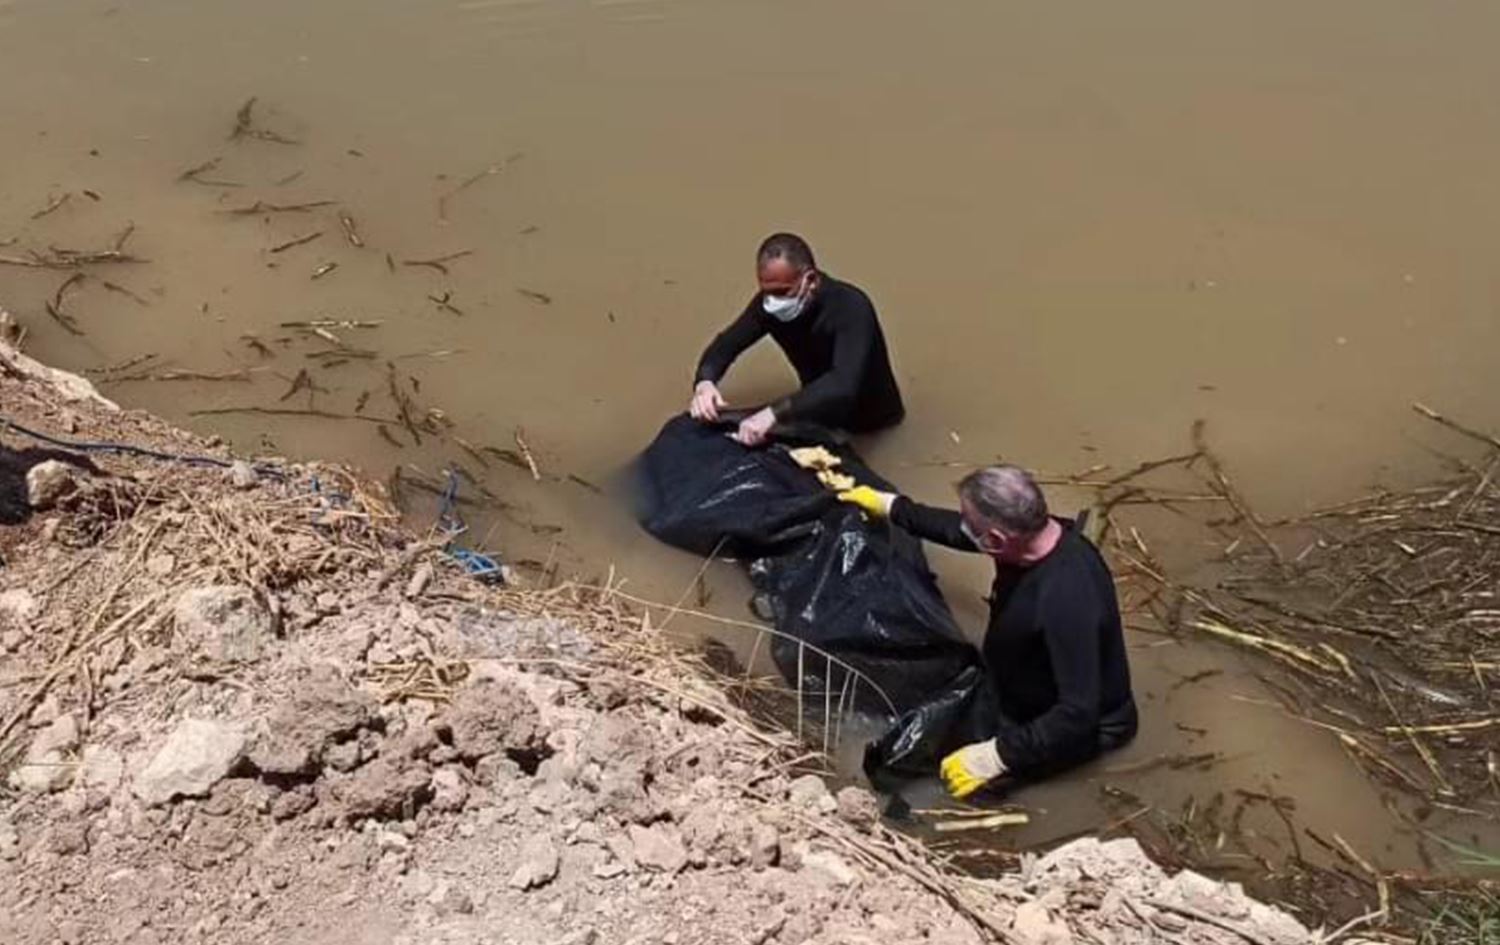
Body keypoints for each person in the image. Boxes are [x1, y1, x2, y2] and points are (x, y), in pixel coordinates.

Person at [839, 465, 1137, 798]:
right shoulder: (1029, 539)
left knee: (969, 791)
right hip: (1021, 683)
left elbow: (1078, 713)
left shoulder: (1065, 598)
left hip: (1081, 725)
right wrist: (891, 506)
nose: (965, 526)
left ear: (996, 539)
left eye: (972, 521)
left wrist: (997, 756)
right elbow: (956, 531)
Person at [689, 233, 905, 446]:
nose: (774, 301)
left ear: (809, 280)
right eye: (767, 292)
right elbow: (726, 345)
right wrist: (705, 383)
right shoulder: (769, 307)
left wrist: (772, 414)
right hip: (813, 412)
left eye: (782, 292)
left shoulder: (851, 307)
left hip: (870, 423)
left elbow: (843, 384)